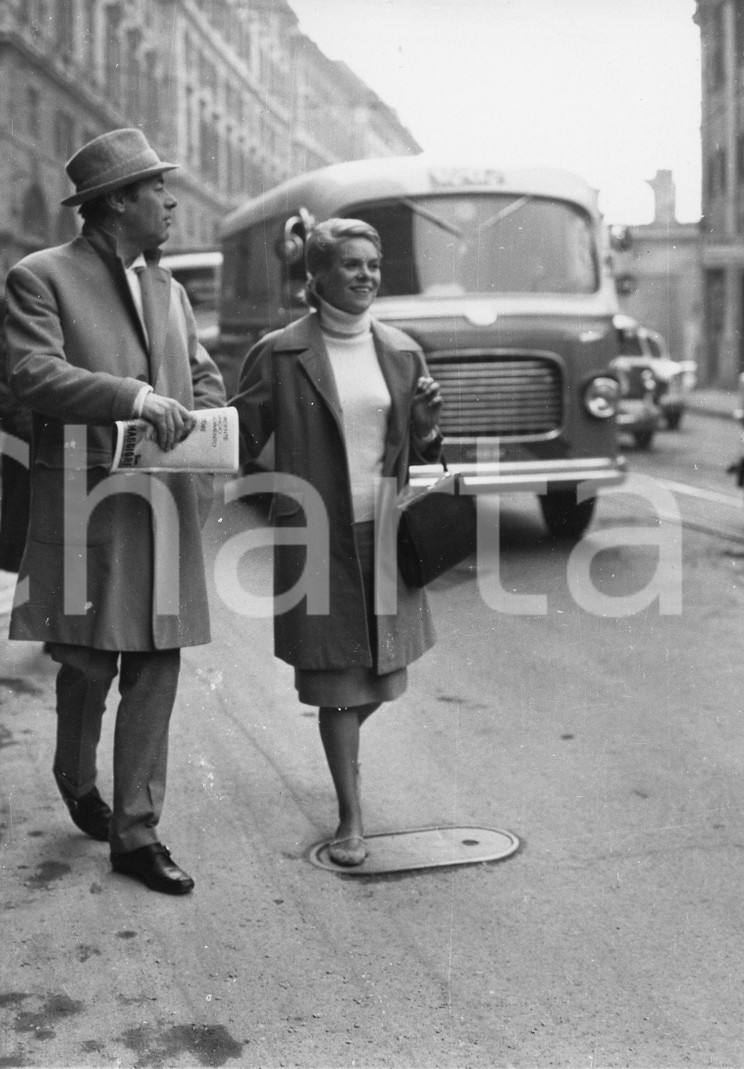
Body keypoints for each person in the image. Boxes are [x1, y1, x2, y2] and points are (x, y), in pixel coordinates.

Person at [3, 128, 226, 894]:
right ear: (117, 202)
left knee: (157, 662)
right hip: (87, 502)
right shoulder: (41, 277)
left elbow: (199, 373)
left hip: (162, 505)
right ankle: (75, 774)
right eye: (157, 188)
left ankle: (136, 833)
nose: (170, 200)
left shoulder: (169, 287)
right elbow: (33, 373)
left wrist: (212, 418)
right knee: (89, 661)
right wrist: (130, 396)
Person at [231, 218, 444, 868]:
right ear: (316, 275)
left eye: (372, 264)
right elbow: (241, 441)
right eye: (350, 264)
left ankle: (344, 768)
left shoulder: (403, 351)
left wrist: (428, 428)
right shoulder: (280, 353)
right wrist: (279, 503)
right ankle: (351, 817)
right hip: (319, 539)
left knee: (380, 676)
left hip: (383, 533)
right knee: (335, 686)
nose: (366, 275)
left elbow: (422, 451)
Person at [0, 297, 32, 574]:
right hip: (24, 437)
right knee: (22, 509)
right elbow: (7, 398)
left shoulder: (9, 343)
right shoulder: (10, 346)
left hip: (22, 435)